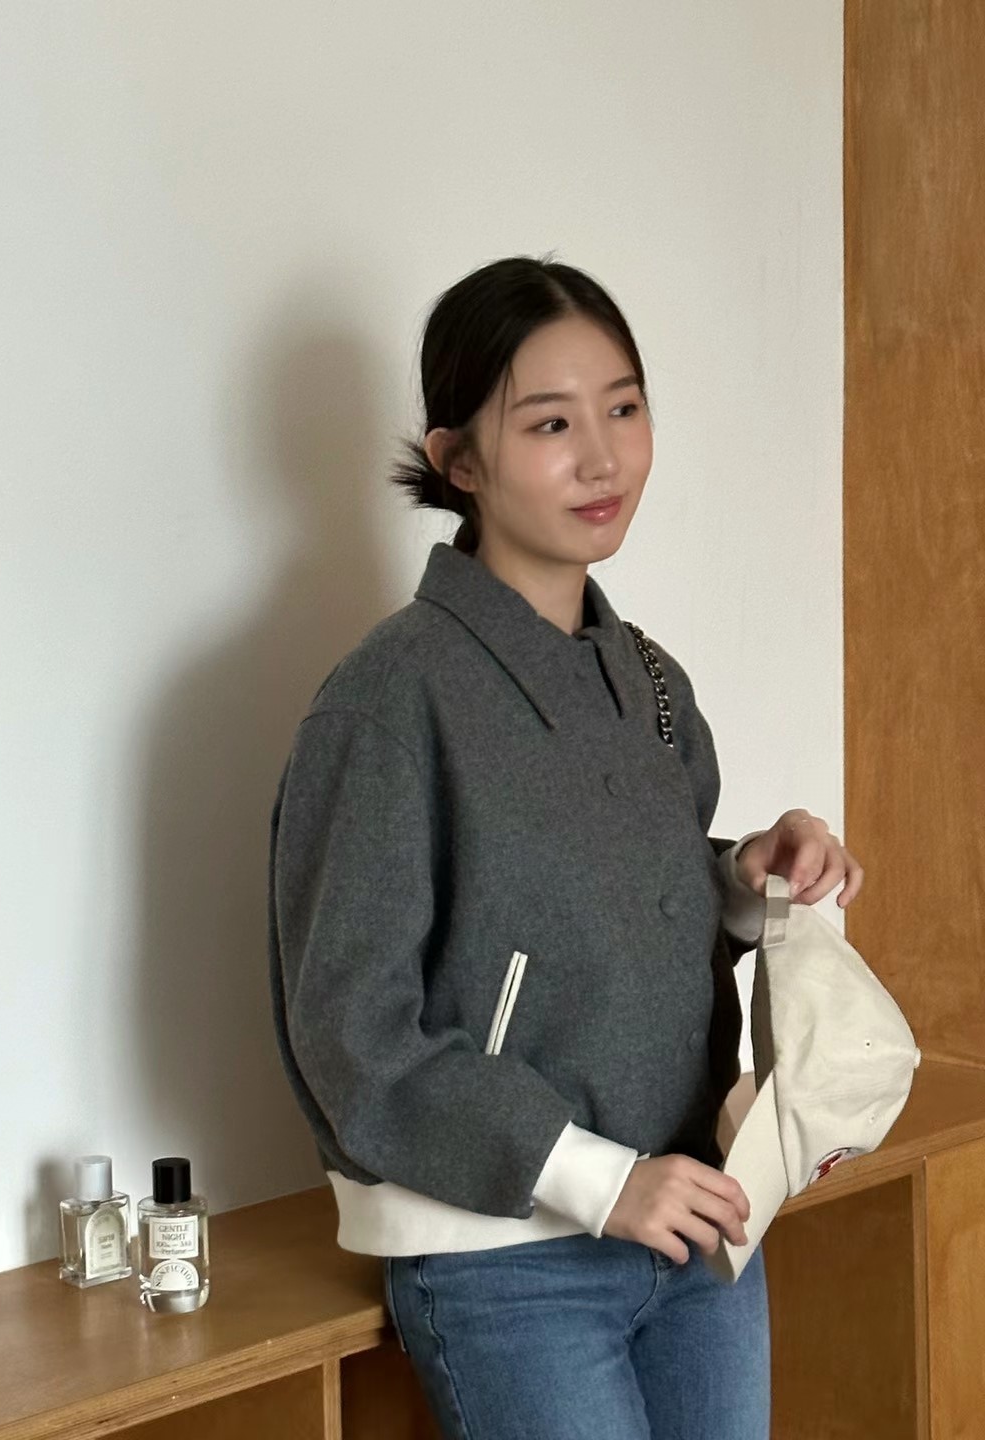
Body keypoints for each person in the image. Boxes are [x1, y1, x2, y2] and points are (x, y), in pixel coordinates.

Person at [266, 255, 862, 1440]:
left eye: (623, 408)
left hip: (698, 1221)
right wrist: (600, 1180)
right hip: (508, 1265)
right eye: (550, 423)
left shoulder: (646, 676)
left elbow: (596, 893)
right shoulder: (387, 702)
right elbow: (352, 1033)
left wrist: (744, 877)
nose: (604, 457)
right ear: (458, 460)